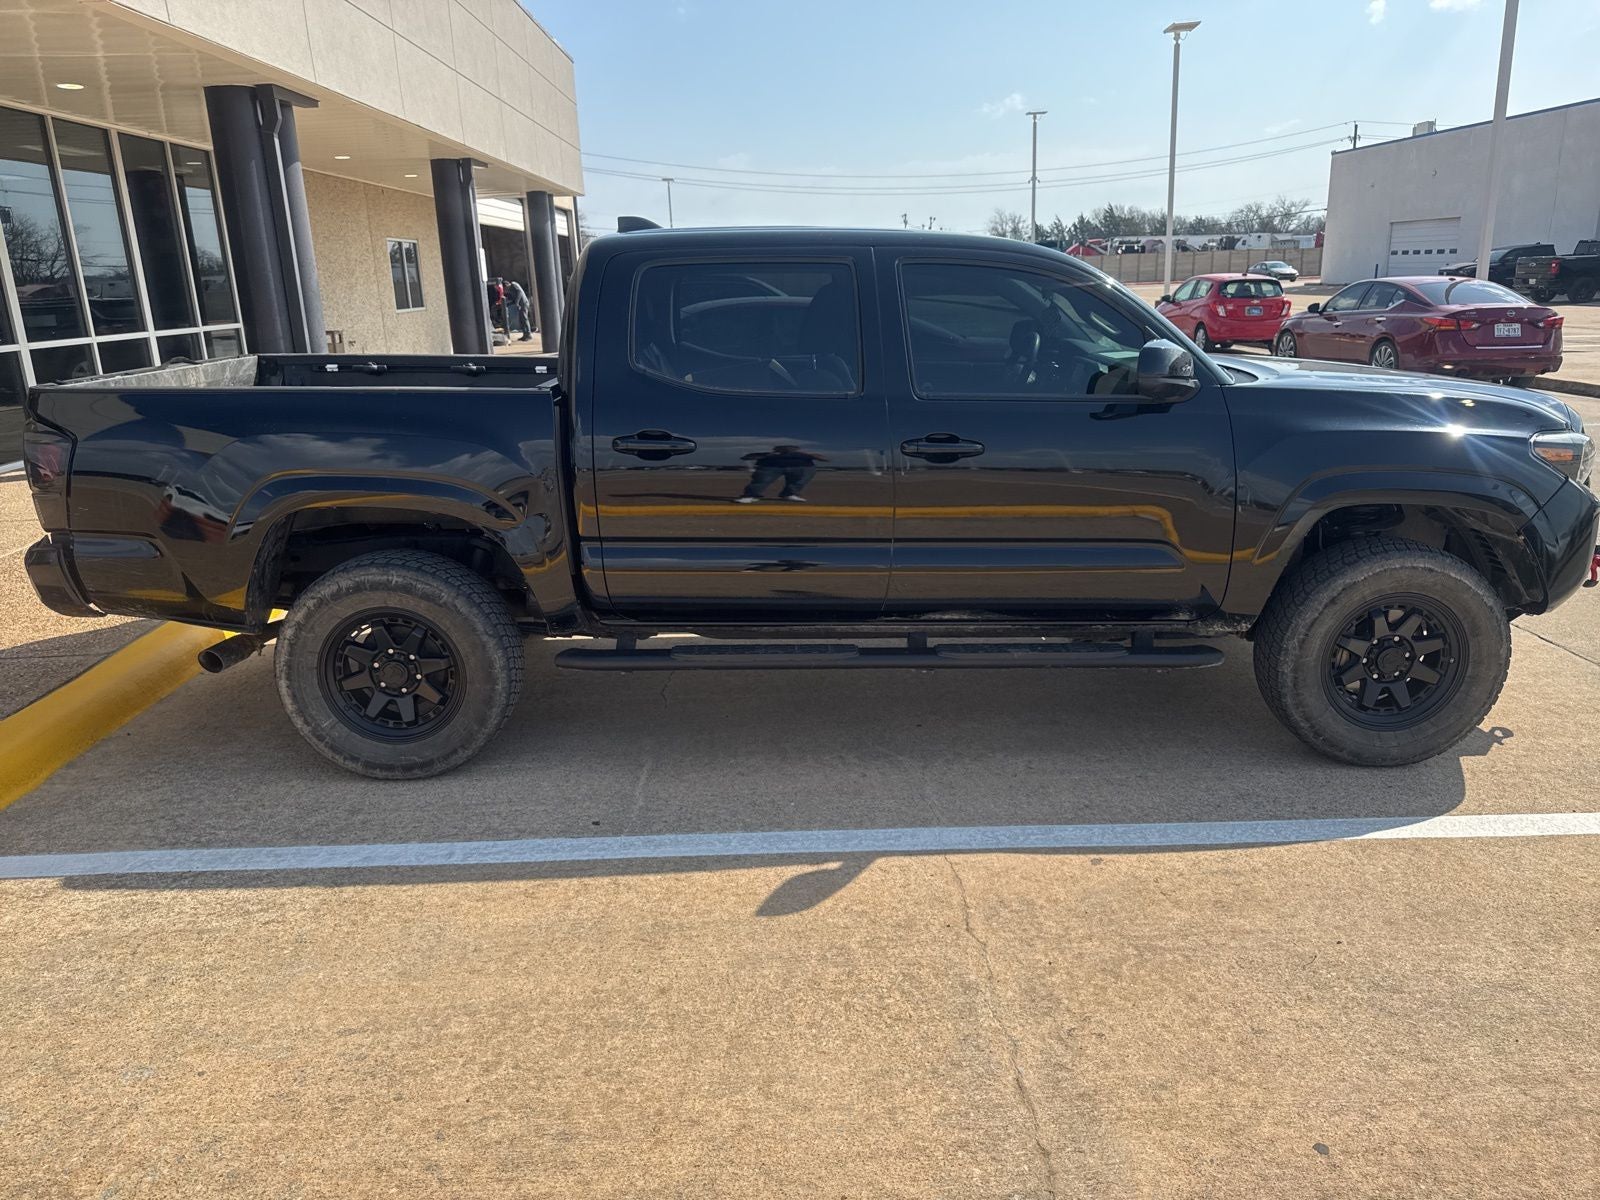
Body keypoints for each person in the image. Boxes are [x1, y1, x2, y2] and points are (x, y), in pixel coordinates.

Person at [735, 445, 828, 503]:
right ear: (777, 448)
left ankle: (789, 494)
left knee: (799, 482)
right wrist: (767, 455)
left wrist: (811, 455)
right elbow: (745, 458)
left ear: (796, 449)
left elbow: (825, 459)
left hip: (802, 468)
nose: (788, 449)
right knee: (761, 481)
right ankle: (750, 495)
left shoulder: (804, 455)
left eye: (791, 448)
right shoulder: (767, 454)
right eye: (784, 448)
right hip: (771, 467)